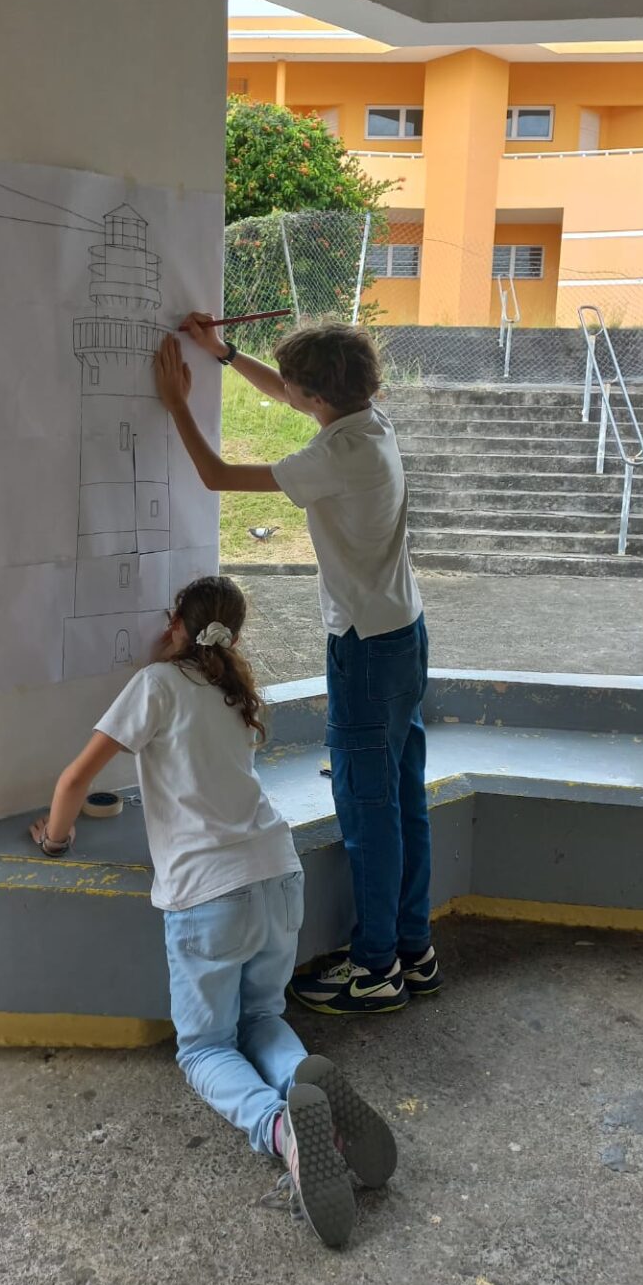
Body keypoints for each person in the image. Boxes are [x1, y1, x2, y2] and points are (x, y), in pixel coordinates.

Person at [30, 575, 396, 1247]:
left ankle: (282, 1129)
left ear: (176, 624)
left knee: (203, 1048)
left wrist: (55, 839)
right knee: (262, 1018)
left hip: (209, 896)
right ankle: (301, 1079)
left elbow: (75, 779)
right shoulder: (234, 692)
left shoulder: (156, 684)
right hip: (278, 875)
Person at [153, 317, 440, 1017]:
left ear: (316, 397)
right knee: (402, 797)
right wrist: (226, 354)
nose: (286, 394)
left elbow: (218, 475)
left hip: (365, 650)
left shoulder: (335, 454)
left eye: (294, 388)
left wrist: (177, 404)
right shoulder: (371, 423)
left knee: (368, 811)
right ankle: (413, 948)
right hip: (404, 635)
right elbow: (292, 393)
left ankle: (375, 969)